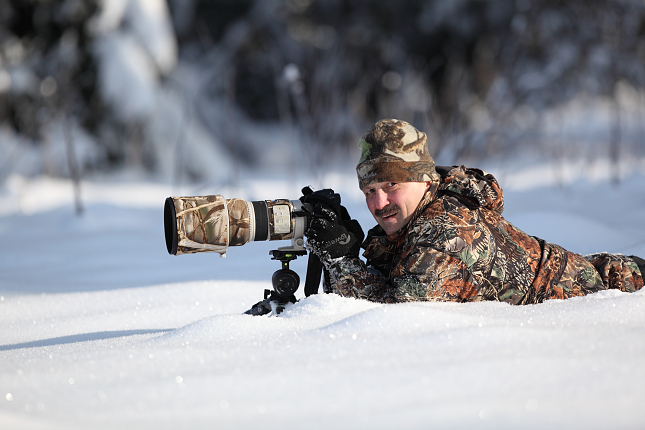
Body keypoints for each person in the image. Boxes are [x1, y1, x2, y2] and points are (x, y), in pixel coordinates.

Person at [304, 118, 645, 304]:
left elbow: (399, 319)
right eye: (370, 192)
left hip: (610, 293)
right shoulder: (418, 215)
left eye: (391, 186)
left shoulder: (443, 231)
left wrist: (342, 261)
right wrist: (350, 248)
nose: (378, 205)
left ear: (424, 180)